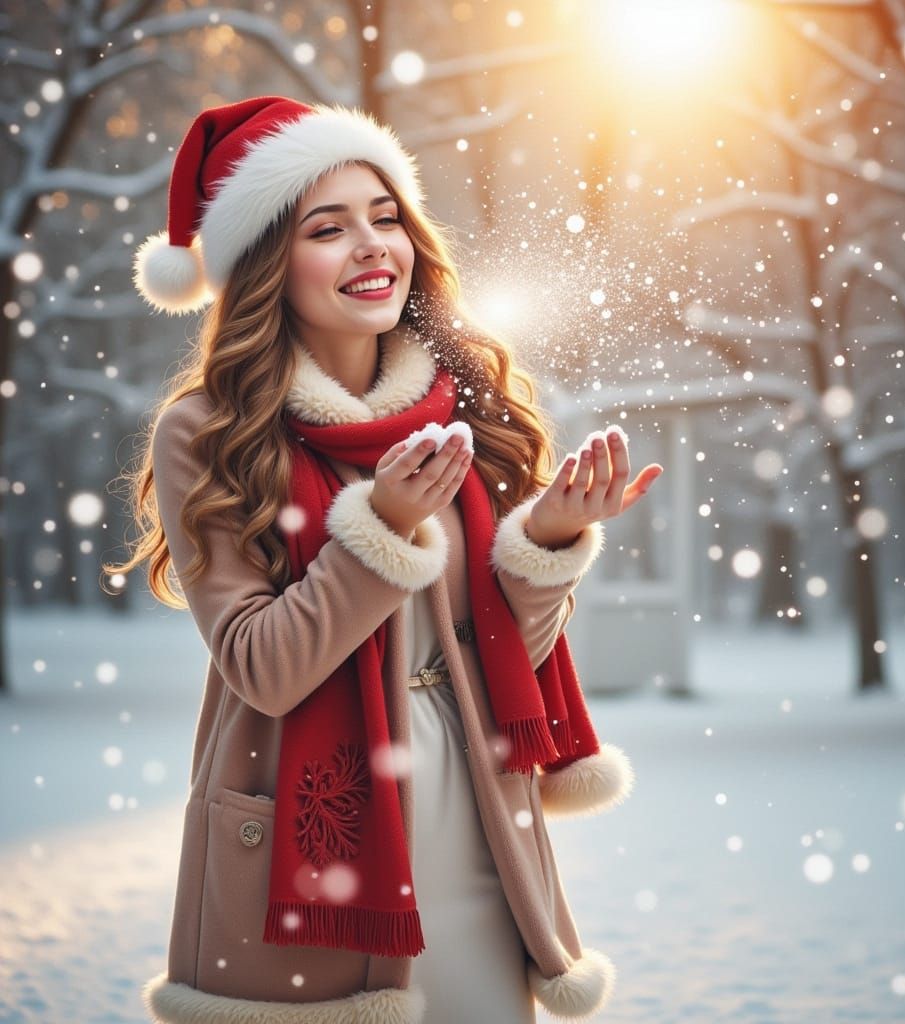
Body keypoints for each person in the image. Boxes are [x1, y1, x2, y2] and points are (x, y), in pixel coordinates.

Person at [107, 96, 663, 1024]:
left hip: (476, 807)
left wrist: (548, 545)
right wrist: (384, 530)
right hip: (311, 829)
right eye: (328, 228)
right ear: (263, 267)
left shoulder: (459, 408)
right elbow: (264, 668)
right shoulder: (206, 433)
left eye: (386, 216)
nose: (372, 245)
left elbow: (498, 658)